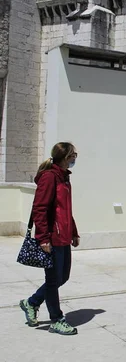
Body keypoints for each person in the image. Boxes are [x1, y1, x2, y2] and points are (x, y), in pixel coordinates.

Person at [19, 142, 80, 336]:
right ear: (64, 157)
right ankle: (56, 319)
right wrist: (43, 238)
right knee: (53, 280)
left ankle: (31, 302)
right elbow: (40, 208)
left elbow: (65, 209)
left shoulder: (64, 178)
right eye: (73, 155)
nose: (75, 159)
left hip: (63, 235)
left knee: (63, 277)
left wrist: (73, 232)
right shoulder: (49, 177)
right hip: (51, 237)